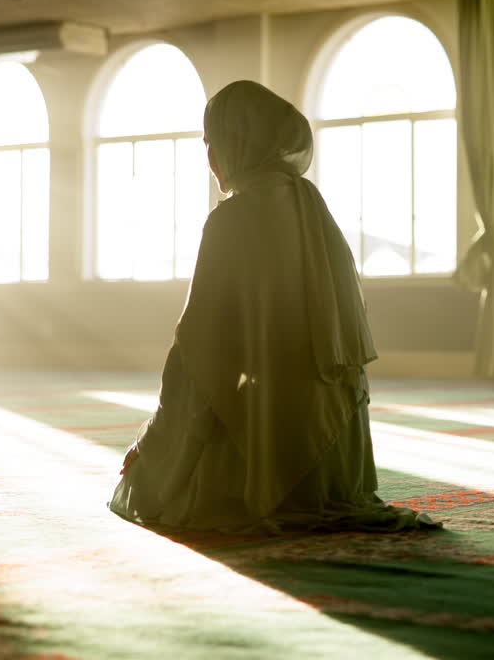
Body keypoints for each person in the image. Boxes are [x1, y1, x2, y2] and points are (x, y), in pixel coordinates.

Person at [108, 80, 440, 534]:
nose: (210, 160)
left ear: (240, 144)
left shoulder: (232, 218)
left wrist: (153, 442)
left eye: (214, 143)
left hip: (257, 437)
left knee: (153, 487)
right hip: (331, 456)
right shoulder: (314, 208)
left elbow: (197, 348)